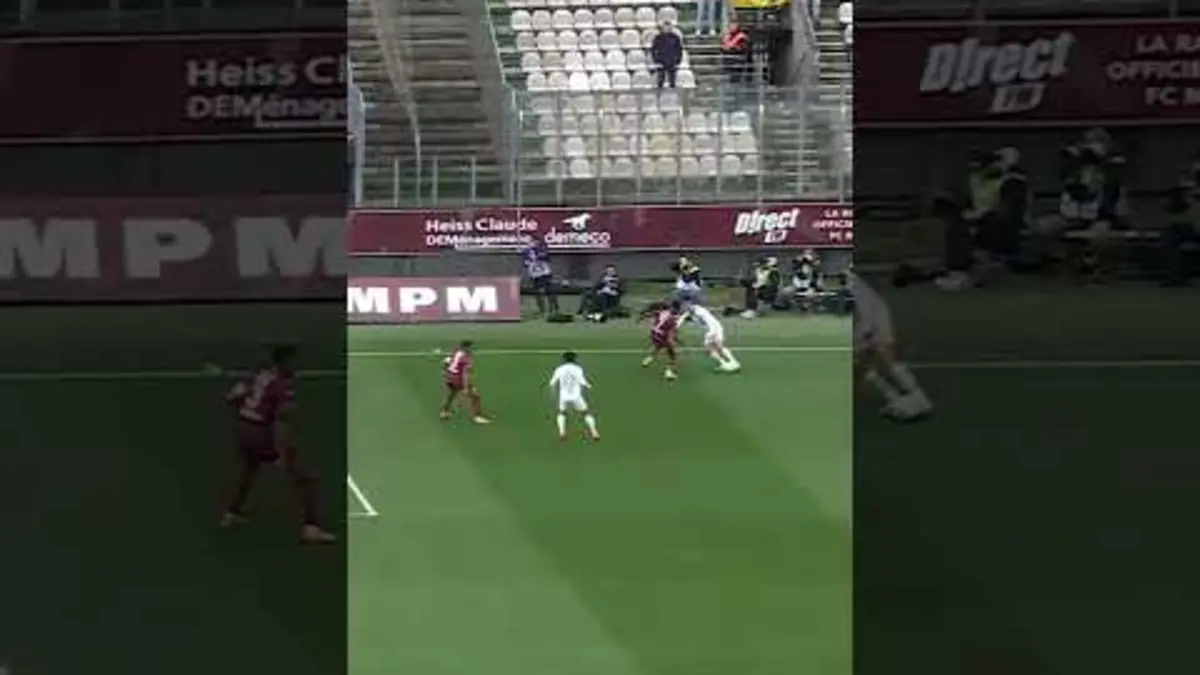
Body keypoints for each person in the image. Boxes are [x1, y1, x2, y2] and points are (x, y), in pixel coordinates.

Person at [221, 343, 335, 544]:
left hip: (243, 427)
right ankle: (311, 528)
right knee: (306, 477)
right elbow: (281, 422)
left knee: (249, 470)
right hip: (261, 432)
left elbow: (232, 396)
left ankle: (232, 513)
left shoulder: (261, 374)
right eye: (294, 360)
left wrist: (240, 420)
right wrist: (281, 452)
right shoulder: (282, 384)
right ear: (286, 360)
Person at [851, 273, 933, 422]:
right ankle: (913, 399)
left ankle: (907, 400)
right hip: (873, 311)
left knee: (871, 359)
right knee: (872, 360)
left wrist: (864, 332)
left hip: (864, 317)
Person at [548, 351, 600, 441]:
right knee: (586, 413)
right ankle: (594, 432)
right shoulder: (578, 369)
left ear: (564, 359)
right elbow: (582, 381)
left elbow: (552, 383)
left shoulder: (559, 369)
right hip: (576, 396)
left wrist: (552, 392)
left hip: (564, 396)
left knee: (562, 413)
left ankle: (562, 432)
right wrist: (589, 386)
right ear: (574, 359)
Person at [440, 340, 490, 424]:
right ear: (466, 348)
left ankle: (444, 412)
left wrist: (446, 374)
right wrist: (466, 387)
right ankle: (477, 417)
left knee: (451, 394)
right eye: (471, 348)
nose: (472, 350)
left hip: (450, 376)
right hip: (458, 379)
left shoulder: (456, 352)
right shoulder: (466, 358)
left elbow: (446, 362)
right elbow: (465, 373)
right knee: (475, 396)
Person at [686, 303, 740, 372]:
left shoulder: (699, 311)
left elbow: (694, 311)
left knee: (713, 348)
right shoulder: (696, 314)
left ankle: (727, 363)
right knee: (717, 347)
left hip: (713, 329)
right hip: (716, 327)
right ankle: (731, 362)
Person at [641, 299, 684, 379]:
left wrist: (643, 316)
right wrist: (675, 340)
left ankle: (649, 359)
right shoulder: (673, 319)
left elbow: (653, 314)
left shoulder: (664, 311)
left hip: (654, 333)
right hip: (662, 335)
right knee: (673, 354)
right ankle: (668, 372)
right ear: (677, 308)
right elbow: (671, 333)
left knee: (658, 346)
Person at [521, 240, 558, 316]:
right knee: (539, 292)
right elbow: (525, 263)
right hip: (536, 275)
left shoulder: (542, 249)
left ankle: (554, 308)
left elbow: (546, 256)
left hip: (545, 274)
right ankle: (542, 310)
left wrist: (537, 256)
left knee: (550, 292)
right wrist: (528, 260)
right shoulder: (526, 252)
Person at [650, 21, 683, 89]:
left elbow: (679, 50)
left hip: (672, 61)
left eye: (668, 27)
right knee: (660, 80)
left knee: (672, 80)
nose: (667, 29)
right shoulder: (658, 38)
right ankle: (659, 93)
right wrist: (656, 60)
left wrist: (678, 60)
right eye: (665, 27)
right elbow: (653, 50)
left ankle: (673, 93)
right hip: (661, 61)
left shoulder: (675, 38)